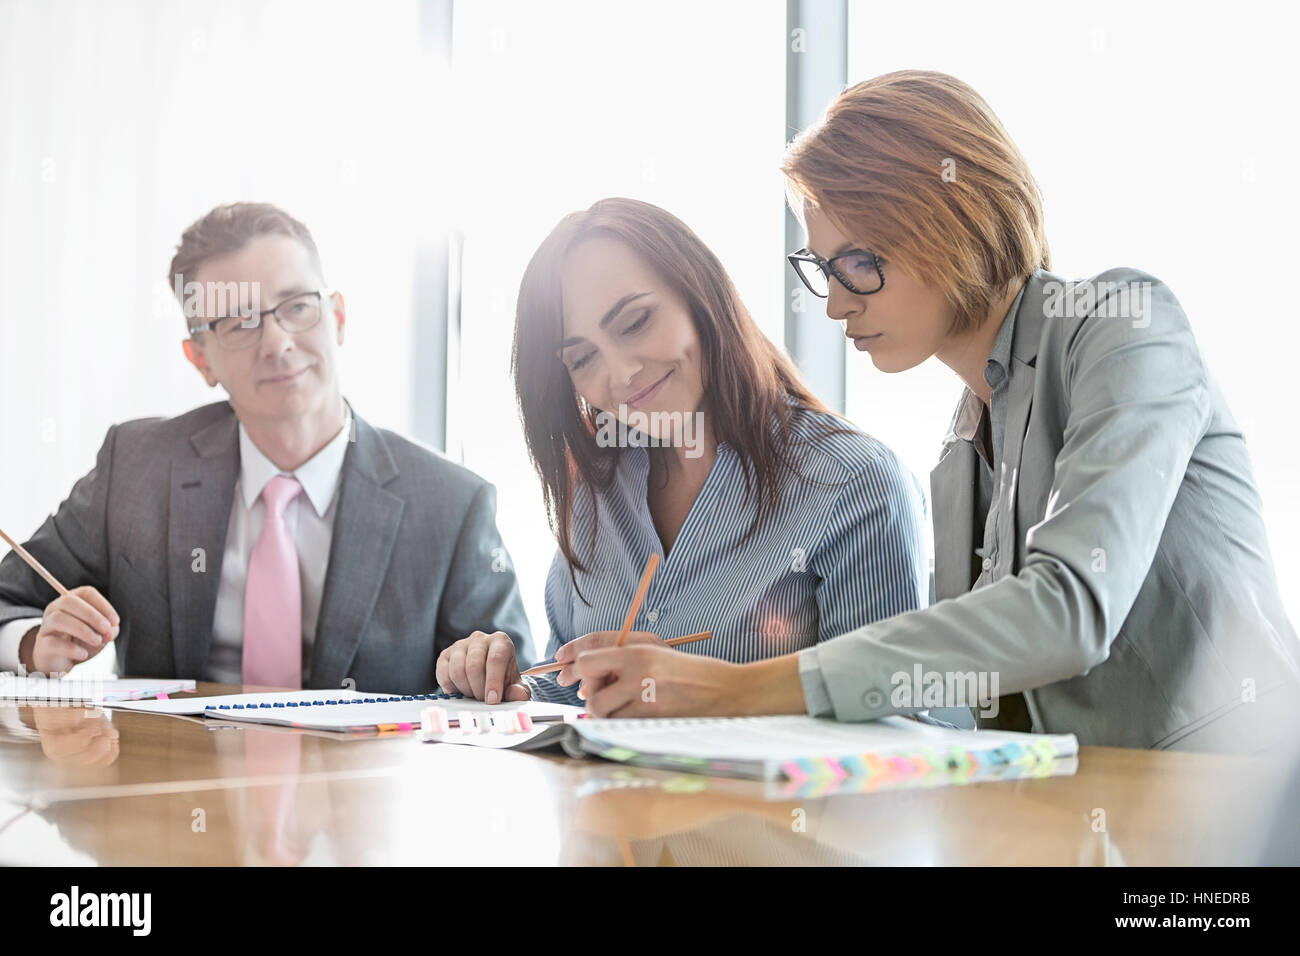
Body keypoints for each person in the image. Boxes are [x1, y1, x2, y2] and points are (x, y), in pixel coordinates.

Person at [567, 72, 1300, 752]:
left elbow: (1068, 610)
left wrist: (734, 688)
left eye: (857, 263)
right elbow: (962, 698)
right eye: (822, 270)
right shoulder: (959, 453)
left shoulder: (1124, 327)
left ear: (952, 217)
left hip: (1237, 822)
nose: (834, 302)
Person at [0, 202, 531, 694]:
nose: (277, 342)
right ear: (201, 359)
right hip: (171, 785)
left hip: (357, 788)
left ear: (337, 318)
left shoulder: (451, 503)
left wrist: (483, 672)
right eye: (238, 322)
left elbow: (516, 682)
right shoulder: (136, 466)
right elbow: (9, 598)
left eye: (297, 307)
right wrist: (30, 643)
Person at [436, 198, 927, 706]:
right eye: (583, 358)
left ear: (699, 295)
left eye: (634, 323)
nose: (621, 373)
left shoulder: (854, 482)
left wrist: (714, 698)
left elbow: (894, 720)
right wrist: (506, 686)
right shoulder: (593, 493)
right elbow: (579, 696)